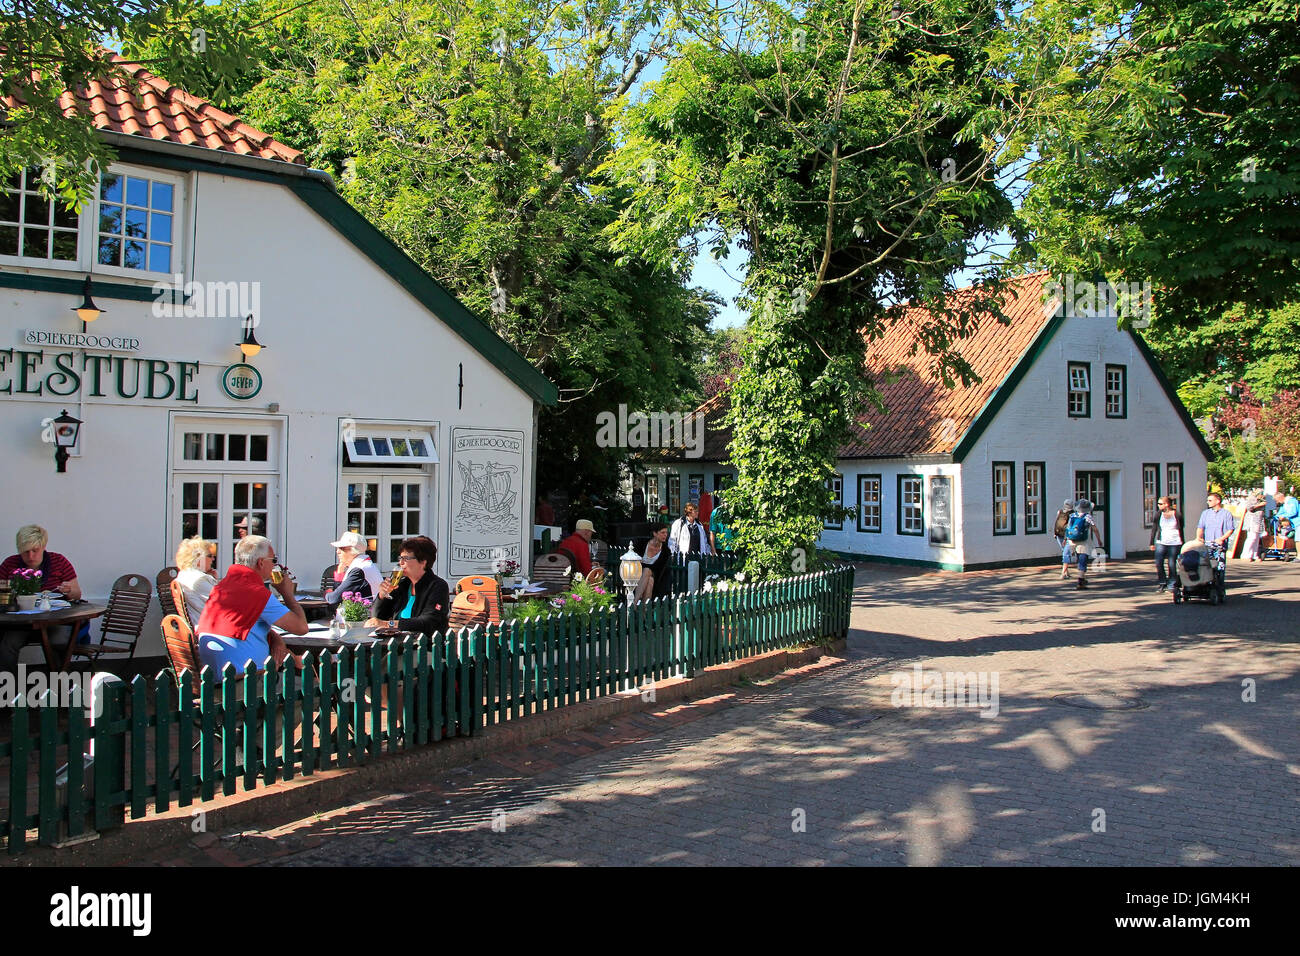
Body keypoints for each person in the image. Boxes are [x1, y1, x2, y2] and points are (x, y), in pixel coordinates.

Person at [194, 535, 308, 674]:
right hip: (245, 681)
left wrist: (276, 638)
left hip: (213, 678)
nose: (275, 565)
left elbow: (243, 625)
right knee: (311, 686)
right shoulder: (256, 592)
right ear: (261, 563)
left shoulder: (223, 587)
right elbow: (301, 628)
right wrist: (287, 593)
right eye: (274, 560)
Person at [0, 525, 83, 673]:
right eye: (25, 551)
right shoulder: (10, 564)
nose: (30, 556)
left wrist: (69, 590)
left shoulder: (59, 561)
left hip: (56, 621)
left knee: (59, 642)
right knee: (9, 643)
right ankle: (7, 687)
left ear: (44, 546)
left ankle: (59, 684)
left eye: (35, 550)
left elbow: (77, 594)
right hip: (22, 623)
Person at [369, 536, 449, 636]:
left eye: (406, 558)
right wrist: (382, 595)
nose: (400, 563)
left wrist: (389, 624)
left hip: (424, 646)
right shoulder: (402, 585)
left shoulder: (437, 586)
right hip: (397, 642)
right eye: (400, 558)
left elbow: (428, 621)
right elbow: (377, 617)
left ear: (423, 562)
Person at [325, 531, 382, 606]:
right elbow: (339, 594)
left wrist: (327, 594)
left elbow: (334, 598)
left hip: (364, 616)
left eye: (342, 548)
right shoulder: (361, 565)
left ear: (353, 551)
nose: (338, 551)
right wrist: (340, 573)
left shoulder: (359, 570)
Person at [175, 536, 218, 622]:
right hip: (210, 627)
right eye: (210, 556)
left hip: (201, 622)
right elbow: (225, 603)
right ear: (198, 558)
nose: (213, 559)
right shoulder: (199, 580)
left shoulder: (184, 574)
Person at [1063, 499, 1103, 589]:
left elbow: (1068, 528)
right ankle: (1081, 581)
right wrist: (1099, 539)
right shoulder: (1087, 517)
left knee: (1079, 559)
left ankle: (1082, 578)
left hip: (1072, 541)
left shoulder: (1072, 515)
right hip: (1083, 541)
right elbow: (1095, 529)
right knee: (1083, 560)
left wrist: (1066, 539)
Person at [1149, 496, 1184, 591]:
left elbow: (1181, 528)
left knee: (1171, 563)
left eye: (1160, 504)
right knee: (1158, 562)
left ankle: (1172, 583)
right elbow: (1154, 529)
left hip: (1175, 542)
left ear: (1166, 504)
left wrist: (1182, 543)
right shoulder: (1159, 514)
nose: (1158, 505)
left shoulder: (1177, 514)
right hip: (1161, 541)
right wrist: (1151, 542)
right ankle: (1162, 583)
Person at [634, 525, 672, 602]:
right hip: (636, 575)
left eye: (666, 533)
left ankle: (635, 603)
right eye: (662, 532)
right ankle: (644, 611)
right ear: (655, 533)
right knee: (649, 578)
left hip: (655, 578)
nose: (665, 535)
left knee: (649, 575)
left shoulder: (666, 551)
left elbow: (658, 570)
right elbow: (634, 559)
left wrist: (644, 565)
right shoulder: (642, 544)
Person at [1052, 499, 1075, 579]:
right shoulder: (1069, 513)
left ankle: (1064, 572)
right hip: (1063, 535)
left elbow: (1057, 522)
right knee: (1065, 553)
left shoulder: (1062, 512)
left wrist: (1055, 533)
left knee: (1065, 553)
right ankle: (1065, 573)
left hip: (1063, 535)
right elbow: (1058, 522)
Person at [1241, 493, 1266, 562]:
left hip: (1259, 520)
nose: (1263, 496)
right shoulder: (1252, 498)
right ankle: (1245, 555)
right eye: (1262, 494)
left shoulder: (1262, 500)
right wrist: (1260, 505)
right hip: (1252, 519)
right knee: (1252, 537)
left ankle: (1254, 555)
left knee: (1257, 538)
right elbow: (1249, 508)